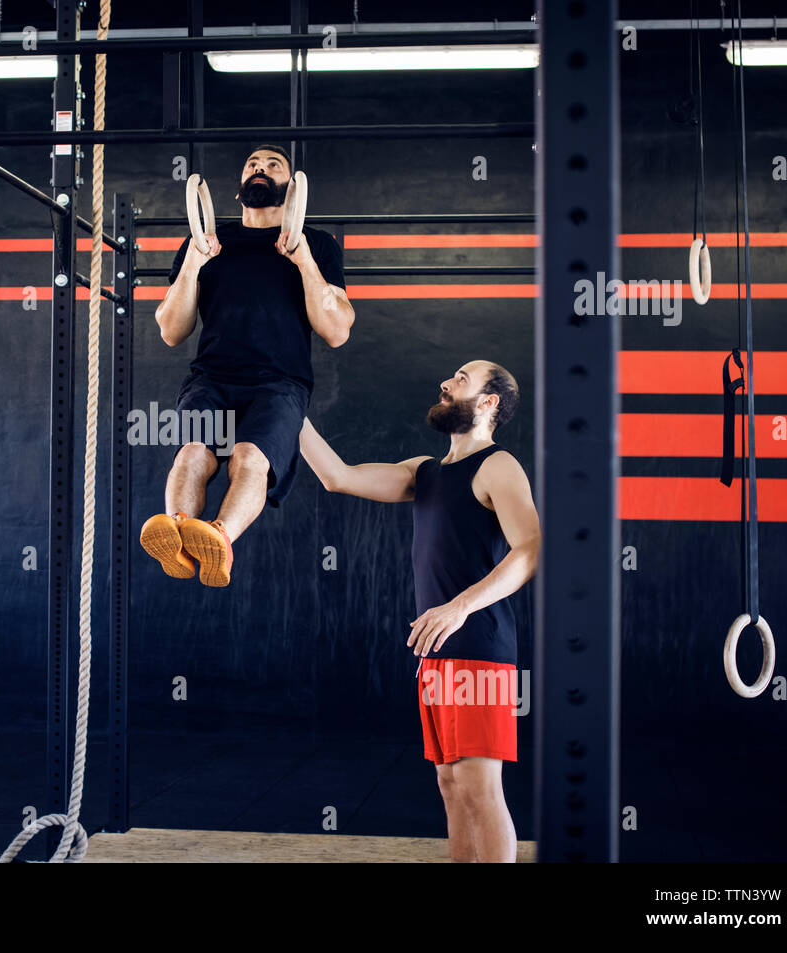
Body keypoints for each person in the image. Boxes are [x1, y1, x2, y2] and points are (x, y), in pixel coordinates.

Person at [298, 360, 540, 863]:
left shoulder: (498, 466)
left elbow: (530, 551)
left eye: (461, 379)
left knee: (479, 787)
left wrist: (459, 607)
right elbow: (337, 477)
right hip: (437, 652)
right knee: (450, 783)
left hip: (480, 649)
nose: (446, 384)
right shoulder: (423, 472)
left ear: (489, 402)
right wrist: (285, 406)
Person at [140, 144, 353, 587]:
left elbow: (337, 330)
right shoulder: (207, 242)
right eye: (252, 164)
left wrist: (303, 259)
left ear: (292, 188)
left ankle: (218, 539)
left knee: (250, 457)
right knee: (192, 451)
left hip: (280, 384)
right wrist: (195, 262)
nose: (261, 169)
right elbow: (170, 330)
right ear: (239, 190)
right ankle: (178, 537)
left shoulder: (318, 243)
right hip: (212, 377)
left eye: (274, 165)